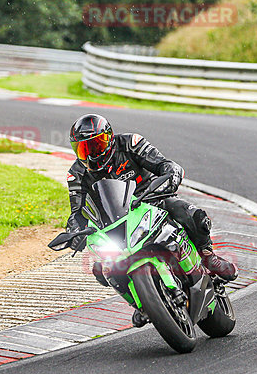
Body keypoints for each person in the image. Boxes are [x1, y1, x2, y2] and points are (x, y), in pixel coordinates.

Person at [64, 114, 238, 327]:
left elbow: (165, 164)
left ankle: (208, 255)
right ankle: (142, 303)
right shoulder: (76, 174)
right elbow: (77, 211)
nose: (91, 154)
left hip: (152, 200)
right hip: (114, 224)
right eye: (84, 149)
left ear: (109, 138)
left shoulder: (130, 143)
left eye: (96, 145)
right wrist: (73, 232)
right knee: (101, 269)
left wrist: (170, 176)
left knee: (192, 215)